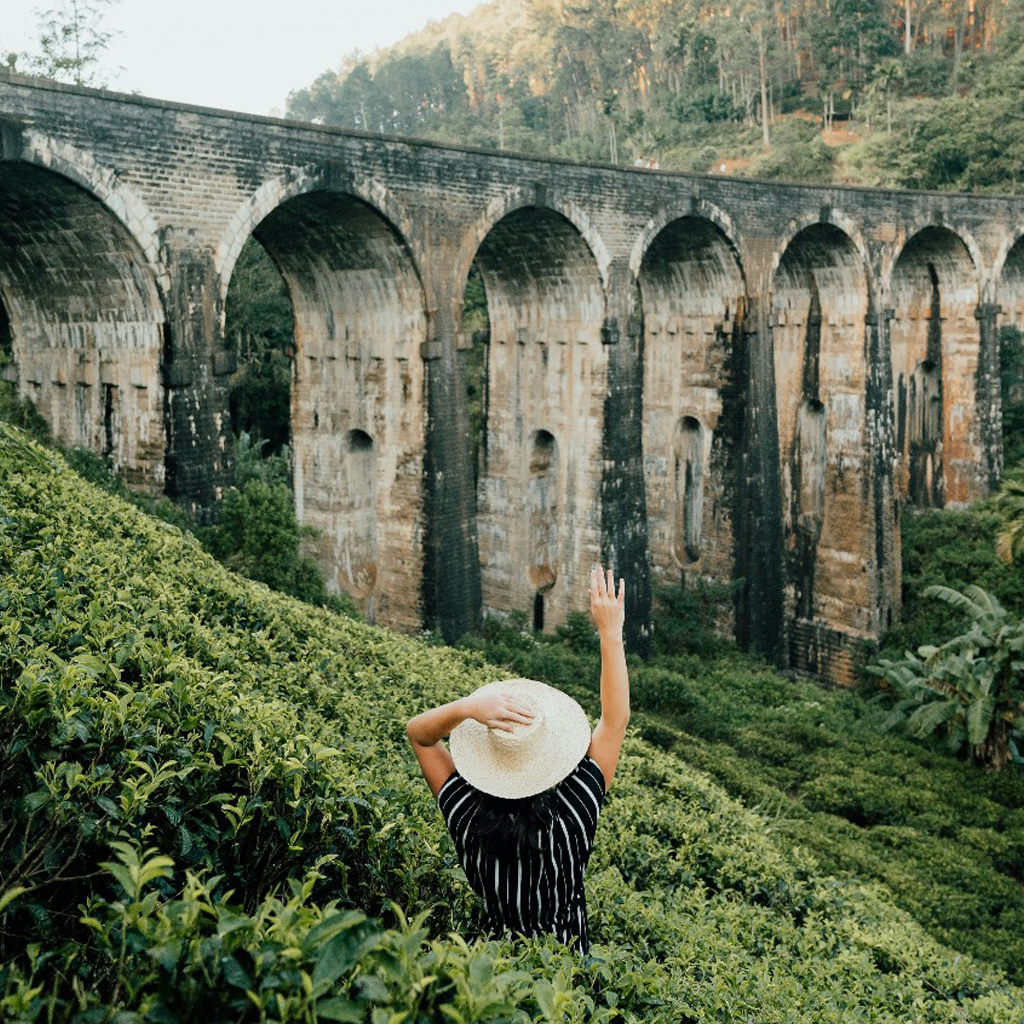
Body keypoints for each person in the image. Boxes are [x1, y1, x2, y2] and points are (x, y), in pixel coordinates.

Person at [406, 566, 629, 954]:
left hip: (491, 971)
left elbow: (419, 736)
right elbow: (615, 720)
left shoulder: (466, 817)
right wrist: (610, 632)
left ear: (487, 759)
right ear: (548, 757)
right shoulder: (572, 819)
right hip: (565, 970)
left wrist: (467, 708)